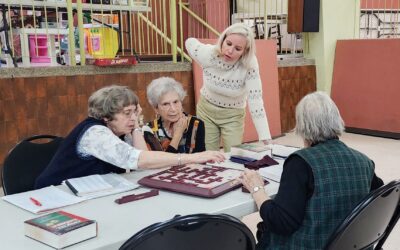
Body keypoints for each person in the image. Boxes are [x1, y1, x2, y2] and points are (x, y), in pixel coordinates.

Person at [240, 91, 383, 250]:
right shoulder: (364, 161)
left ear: (301, 126)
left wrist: (257, 189)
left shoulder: (300, 163)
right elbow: (379, 201)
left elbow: (281, 223)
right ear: (336, 119)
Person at [35, 85, 224, 189]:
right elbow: (137, 159)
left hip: (88, 191)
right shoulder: (95, 133)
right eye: (127, 113)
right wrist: (191, 158)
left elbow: (140, 159)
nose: (133, 118)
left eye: (136, 112)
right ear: (106, 116)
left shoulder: (120, 130)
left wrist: (135, 127)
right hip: (55, 194)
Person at [185, 22, 272, 152]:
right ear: (223, 40)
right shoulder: (209, 54)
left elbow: (255, 99)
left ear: (245, 51)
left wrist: (265, 135)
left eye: (238, 48)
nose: (230, 51)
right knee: (209, 155)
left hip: (233, 115)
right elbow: (190, 42)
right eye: (228, 43)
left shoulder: (249, 64)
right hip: (206, 111)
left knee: (234, 154)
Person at [143, 77, 206, 153]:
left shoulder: (196, 124)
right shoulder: (150, 130)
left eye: (175, 102)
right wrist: (178, 134)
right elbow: (162, 162)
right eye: (166, 104)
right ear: (156, 108)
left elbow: (200, 159)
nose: (173, 109)